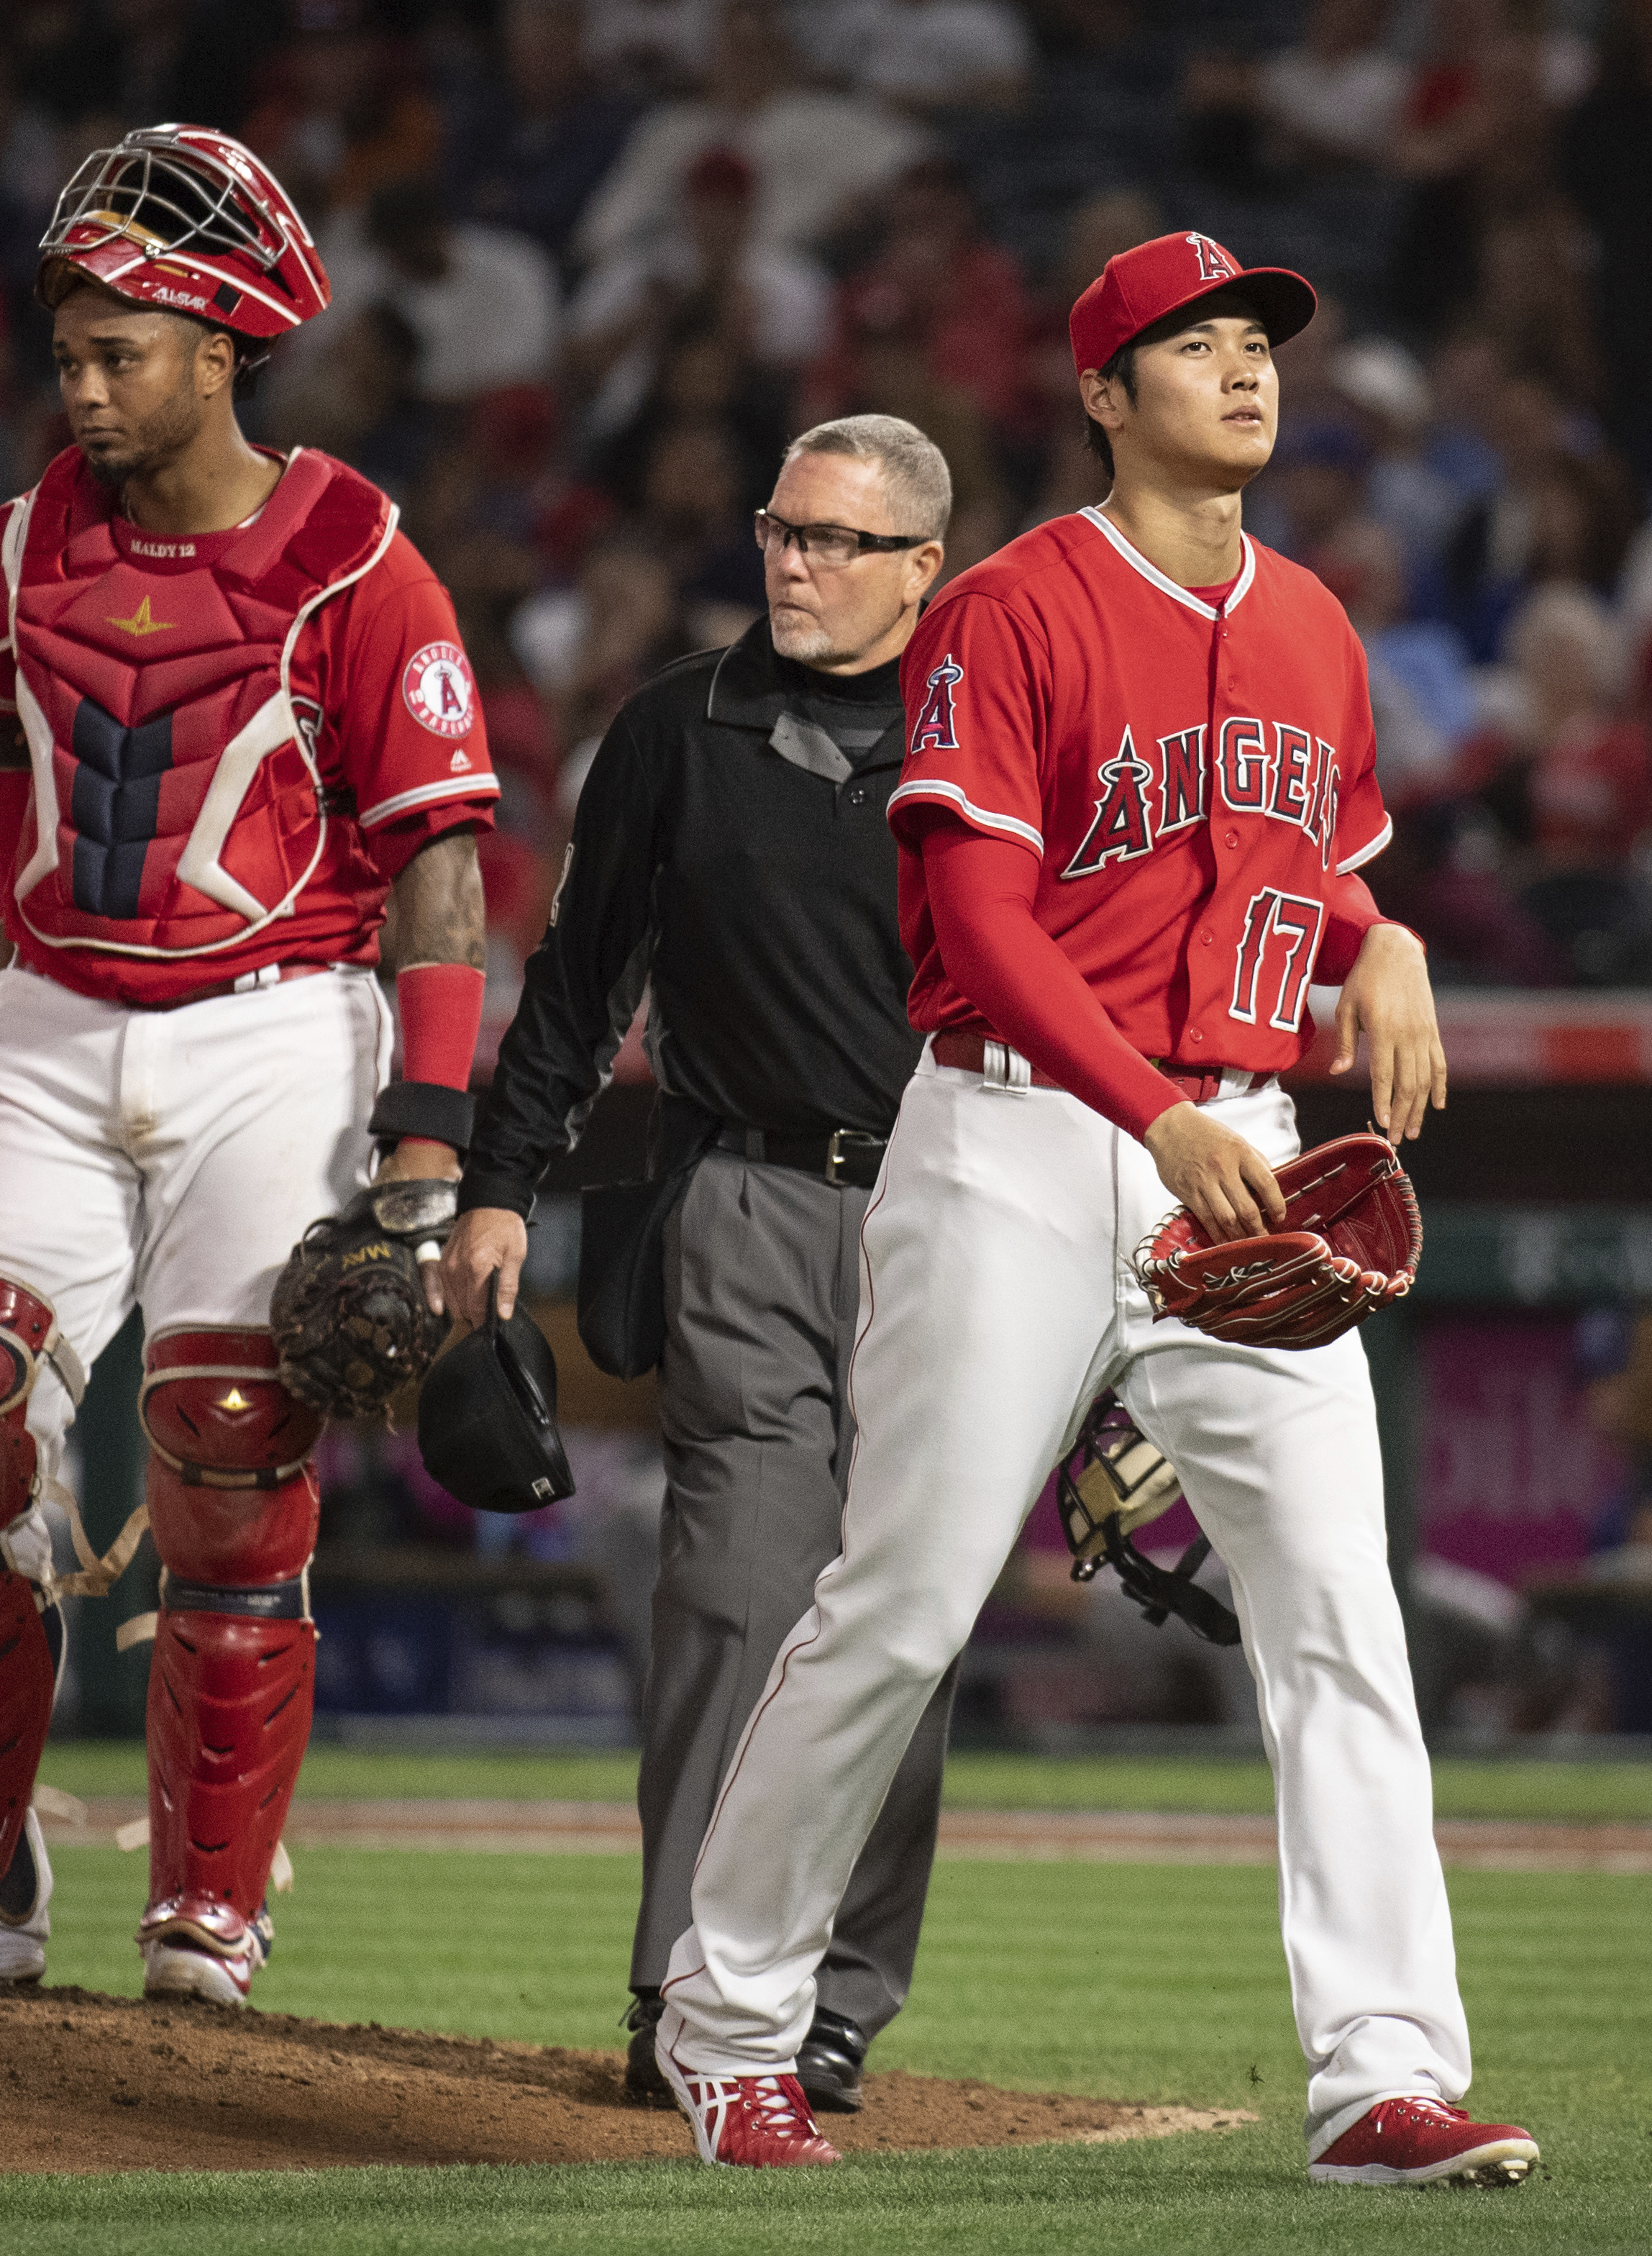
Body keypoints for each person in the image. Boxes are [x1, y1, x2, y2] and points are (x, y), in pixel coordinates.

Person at [649, 232, 1542, 2190]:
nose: (1243, 373)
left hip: (1239, 1151)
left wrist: (1381, 945)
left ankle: (1379, 2079)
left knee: (1342, 1622)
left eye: (1257, 346)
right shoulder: (1009, 606)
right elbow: (975, 913)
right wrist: (1152, 1111)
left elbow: (1322, 863)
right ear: (1104, 395)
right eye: (1194, 347)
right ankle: (729, 2028)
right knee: (897, 1610)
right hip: (1022, 1143)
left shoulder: (1315, 621)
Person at [0, 126, 498, 2006]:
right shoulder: (9, 553)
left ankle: (209, 1894)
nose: (86, 382)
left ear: (224, 344)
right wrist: (42, 952)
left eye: (126, 349)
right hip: (51, 1011)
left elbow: (442, 863)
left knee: (226, 1443)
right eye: (72, 349)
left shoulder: (362, 561)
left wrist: (426, 1144)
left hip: (279, 1020)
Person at [439, 414, 959, 2116]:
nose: (795, 561)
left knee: (904, 1626)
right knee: (734, 1598)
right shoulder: (676, 727)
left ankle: (835, 2002)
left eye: (837, 539)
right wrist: (500, 1183)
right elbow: (581, 980)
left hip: (954, 1220)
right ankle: (687, 1982)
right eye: (781, 528)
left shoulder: (998, 729)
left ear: (921, 567)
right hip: (740, 1194)